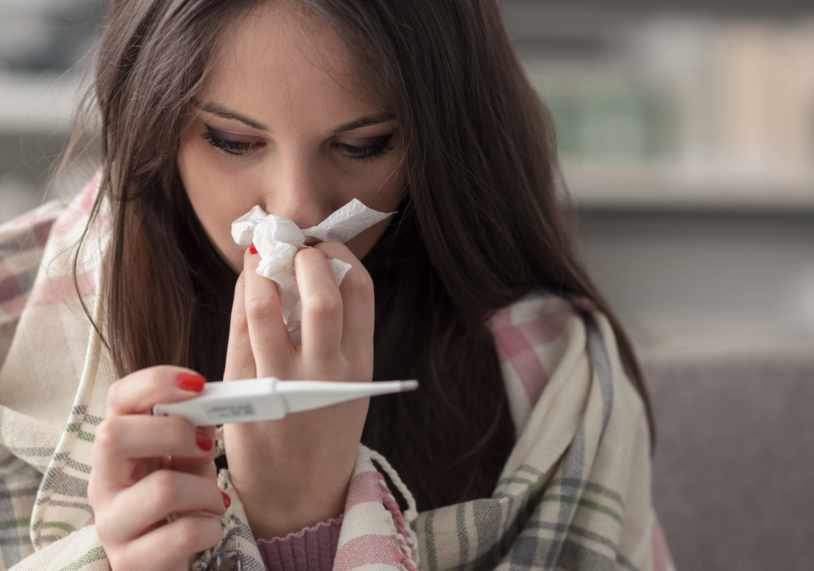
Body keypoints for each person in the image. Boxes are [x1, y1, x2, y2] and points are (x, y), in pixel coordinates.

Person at [0, 0, 675, 570]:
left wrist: (298, 520)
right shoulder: (14, 314)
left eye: (362, 147)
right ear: (155, 117)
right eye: (233, 140)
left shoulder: (557, 382)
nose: (294, 210)